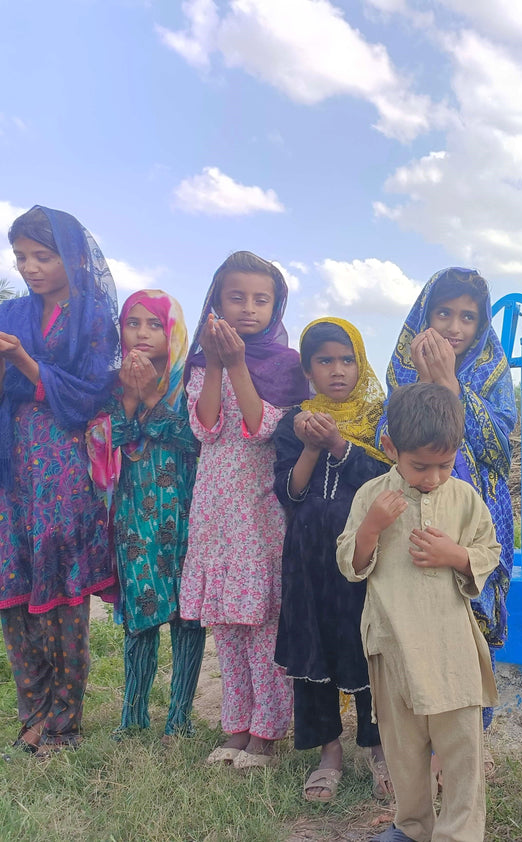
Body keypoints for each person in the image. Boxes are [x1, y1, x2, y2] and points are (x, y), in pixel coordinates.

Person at [339, 382, 500, 842]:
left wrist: (456, 555)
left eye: (444, 465)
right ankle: (411, 827)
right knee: (403, 751)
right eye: (419, 466)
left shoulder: (465, 498)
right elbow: (350, 563)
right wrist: (371, 527)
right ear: (390, 447)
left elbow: (490, 550)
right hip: (393, 646)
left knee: (463, 751)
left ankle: (459, 832)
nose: (431, 477)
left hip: (451, 649)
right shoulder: (372, 495)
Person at [179, 251, 308, 768]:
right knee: (227, 624)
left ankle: (267, 734)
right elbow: (204, 427)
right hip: (214, 506)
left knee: (262, 622)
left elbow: (262, 428)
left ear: (277, 306)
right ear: (216, 301)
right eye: (237, 297)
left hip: (260, 508)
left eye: (262, 299)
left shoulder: (287, 365)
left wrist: (236, 364)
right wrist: (214, 363)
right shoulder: (198, 361)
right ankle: (234, 726)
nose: (249, 309)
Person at [0, 206, 119, 754]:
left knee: (63, 584)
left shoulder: (94, 321)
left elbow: (93, 395)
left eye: (42, 256)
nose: (30, 267)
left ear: (72, 257)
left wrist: (24, 364)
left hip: (64, 463)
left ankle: (65, 720)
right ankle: (32, 710)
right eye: (21, 256)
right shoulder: (13, 312)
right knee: (14, 582)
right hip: (12, 462)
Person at [380, 267, 515, 736]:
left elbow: (500, 449)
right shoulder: (402, 370)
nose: (455, 328)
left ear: (481, 325)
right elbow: (386, 439)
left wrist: (452, 388)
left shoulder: (492, 372)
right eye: (444, 314)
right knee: (422, 629)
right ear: (425, 316)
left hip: (478, 518)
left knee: (472, 632)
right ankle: (424, 743)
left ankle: (473, 740)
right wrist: (424, 384)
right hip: (415, 518)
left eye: (468, 317)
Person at [272, 318, 391, 802]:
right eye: (325, 361)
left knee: (366, 649)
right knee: (313, 651)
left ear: (360, 363)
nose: (337, 370)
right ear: (308, 368)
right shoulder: (293, 420)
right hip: (307, 559)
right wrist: (310, 445)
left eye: (346, 360)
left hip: (365, 562)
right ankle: (329, 752)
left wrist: (340, 446)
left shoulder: (380, 418)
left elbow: (385, 478)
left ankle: (379, 746)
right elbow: (291, 491)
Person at [107, 290, 204, 740]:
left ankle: (180, 717)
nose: (142, 333)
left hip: (187, 514)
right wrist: (131, 397)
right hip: (134, 518)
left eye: (154, 324)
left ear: (173, 332)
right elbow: (112, 439)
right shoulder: (114, 383)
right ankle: (132, 718)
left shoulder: (193, 381)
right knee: (140, 617)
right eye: (133, 323)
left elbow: (190, 437)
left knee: (188, 618)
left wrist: (151, 396)